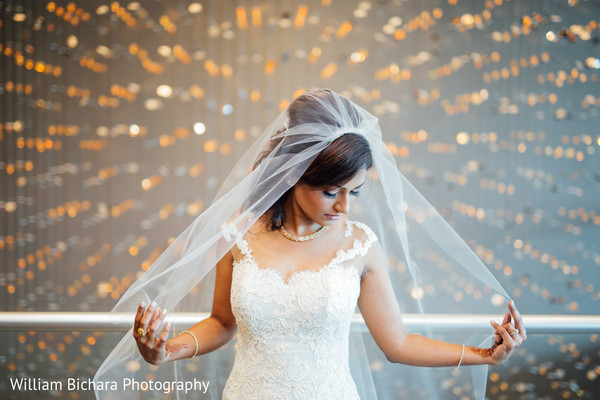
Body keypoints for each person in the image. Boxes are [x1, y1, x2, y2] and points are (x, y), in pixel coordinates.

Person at [94, 89, 526, 399]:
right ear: (291, 175)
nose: (345, 206)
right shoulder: (238, 234)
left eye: (354, 192)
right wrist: (165, 351)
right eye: (330, 191)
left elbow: (396, 344)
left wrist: (484, 356)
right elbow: (222, 323)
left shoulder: (360, 246)